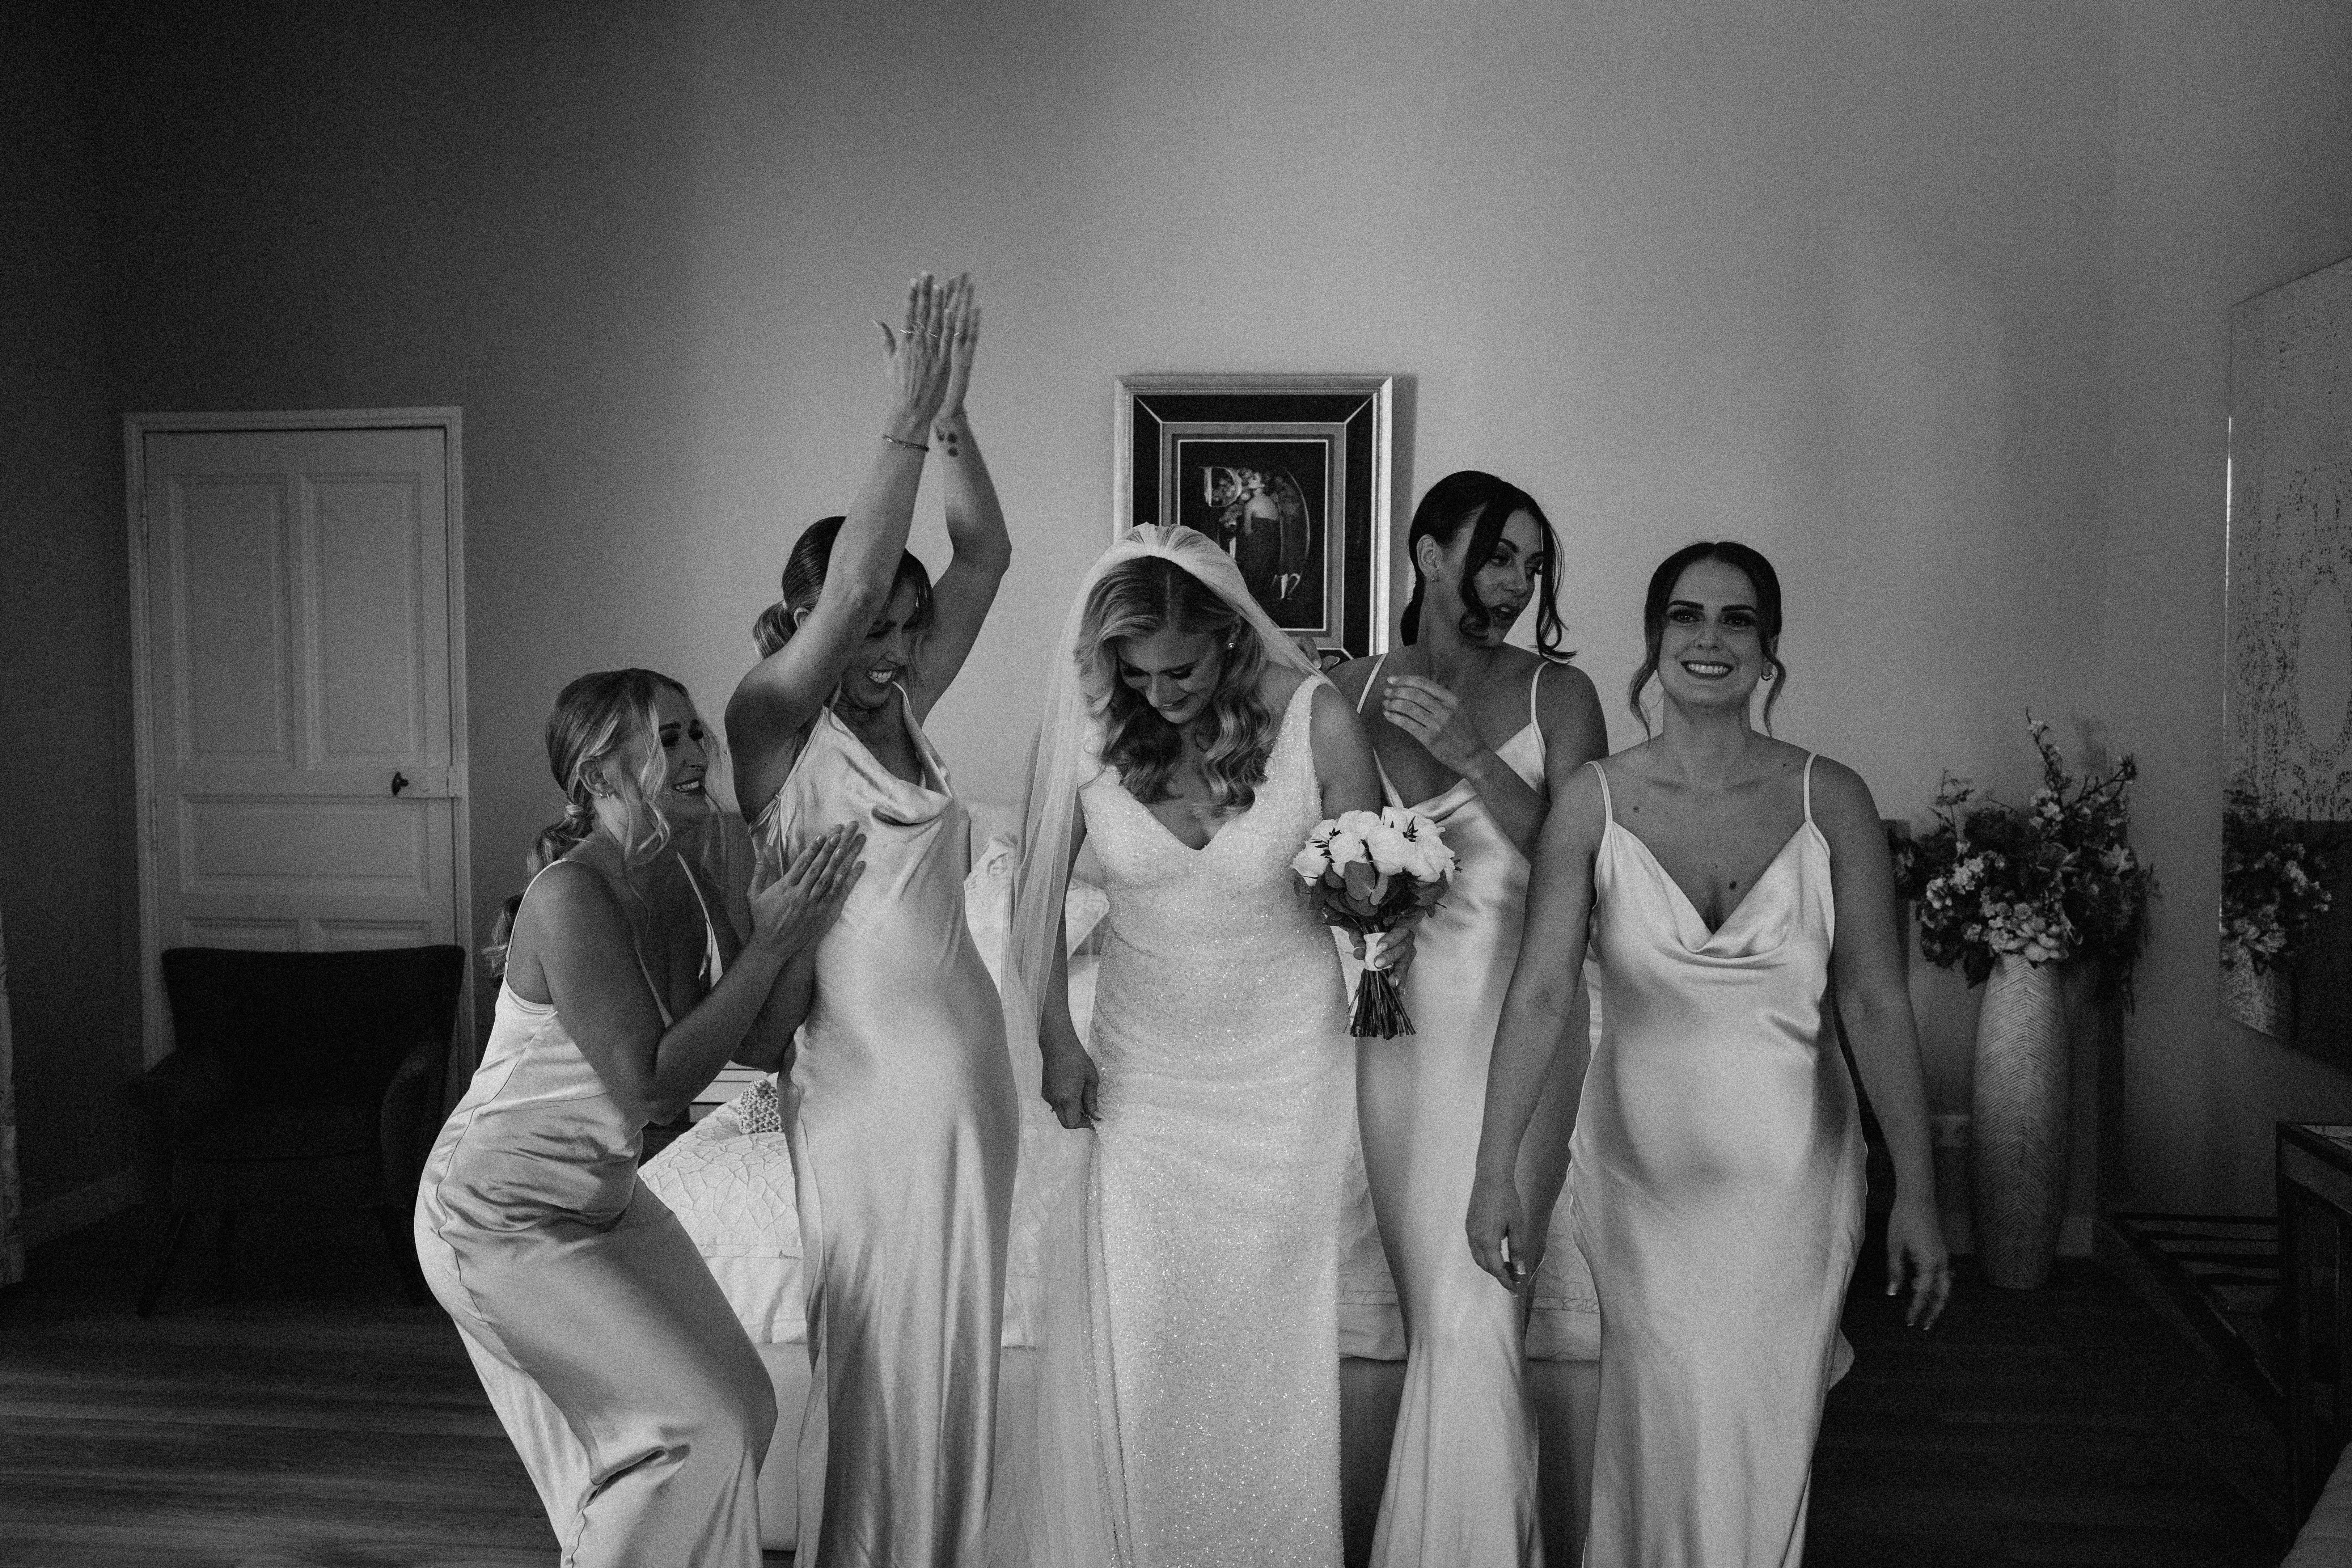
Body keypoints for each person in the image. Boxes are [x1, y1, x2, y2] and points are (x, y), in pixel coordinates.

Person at [1467, 541, 1951, 1568]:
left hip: (1793, 1173)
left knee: (1765, 1430)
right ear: (1653, 641)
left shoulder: (1836, 800)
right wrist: (1494, 1168)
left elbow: (1871, 999)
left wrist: (1917, 1185)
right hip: (1642, 1171)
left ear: (1768, 647)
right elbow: (1544, 989)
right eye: (1686, 615)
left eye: (1736, 620)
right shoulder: (1591, 801)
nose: (1708, 638)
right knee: (1654, 1419)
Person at [998, 523, 1388, 1567]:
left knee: (1268, 1336)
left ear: (1228, 638)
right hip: (1142, 1068)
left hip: (1283, 1074)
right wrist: (1053, 1035)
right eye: (1135, 671)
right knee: (1147, 1328)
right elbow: (1033, 904)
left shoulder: (1316, 720)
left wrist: (1373, 899)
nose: (1159, 691)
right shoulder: (1088, 736)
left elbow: (1374, 891)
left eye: (1178, 668)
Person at [415, 668, 863, 1568]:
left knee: (743, 1404)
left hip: (603, 1199)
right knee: (694, 1426)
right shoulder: (570, 896)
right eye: (667, 739)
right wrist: (772, 943)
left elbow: (765, 1038)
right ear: (596, 775)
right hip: (496, 1213)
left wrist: (809, 926)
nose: (698, 752)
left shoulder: (694, 871)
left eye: (698, 733)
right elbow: (654, 1090)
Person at [724, 272, 1020, 1567]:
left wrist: (953, 418)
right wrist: (897, 424)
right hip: (860, 1096)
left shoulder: (910, 701)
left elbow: (989, 556)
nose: (897, 647)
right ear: (803, 626)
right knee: (876, 1355)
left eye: (909, 627)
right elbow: (849, 599)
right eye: (872, 627)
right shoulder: (770, 731)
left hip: (972, 1087)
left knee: (952, 1349)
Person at [1327, 471, 1607, 1567]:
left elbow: (1584, 872)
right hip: (1393, 1035)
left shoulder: (1559, 696)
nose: (1514, 581)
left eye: (1531, 564)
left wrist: (1473, 758)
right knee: (1430, 1313)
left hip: (1520, 1022)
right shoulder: (1342, 693)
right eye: (1497, 553)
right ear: (1428, 551)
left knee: (1484, 1302)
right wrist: (1353, 912)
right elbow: (1327, 861)